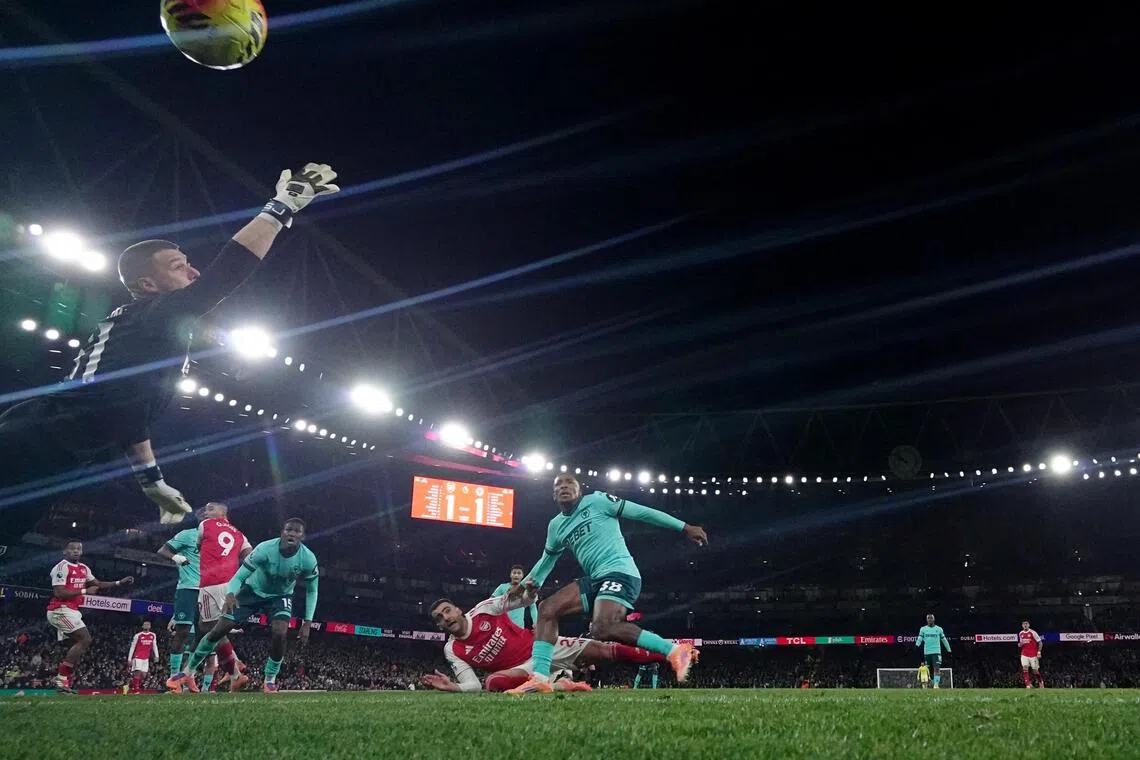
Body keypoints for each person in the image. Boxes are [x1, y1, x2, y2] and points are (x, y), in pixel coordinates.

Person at [0, 164, 339, 532]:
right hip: (28, 448)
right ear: (148, 284)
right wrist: (279, 208)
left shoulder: (148, 334)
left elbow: (129, 411)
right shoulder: (152, 315)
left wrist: (153, 482)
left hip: (49, 458)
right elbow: (226, 272)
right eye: (179, 267)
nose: (193, 273)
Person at [505, 472, 707, 695]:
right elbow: (547, 560)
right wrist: (525, 585)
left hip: (621, 572)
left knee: (602, 627)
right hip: (596, 578)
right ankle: (540, 679)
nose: (564, 487)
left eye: (569, 483)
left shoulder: (598, 501)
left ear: (579, 490)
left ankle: (675, 651)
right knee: (547, 609)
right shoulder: (556, 526)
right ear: (554, 494)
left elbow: (641, 512)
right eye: (558, 484)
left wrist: (684, 527)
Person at [172, 518, 318, 694]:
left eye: (297, 531)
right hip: (252, 591)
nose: (292, 533)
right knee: (219, 629)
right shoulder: (264, 549)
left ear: (303, 536)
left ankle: (270, 679)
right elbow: (239, 577)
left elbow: (312, 591)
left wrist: (307, 622)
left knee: (280, 632)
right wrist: (231, 594)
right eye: (289, 529)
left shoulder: (308, 559)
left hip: (281, 596)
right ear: (282, 532)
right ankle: (189, 672)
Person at [422, 594, 666, 693]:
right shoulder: (452, 650)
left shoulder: (485, 610)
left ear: (458, 609)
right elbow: (473, 686)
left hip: (544, 646)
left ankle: (668, 653)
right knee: (493, 682)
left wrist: (528, 590)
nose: (446, 618)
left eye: (447, 611)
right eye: (440, 618)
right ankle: (558, 682)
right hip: (522, 671)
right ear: (439, 626)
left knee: (603, 649)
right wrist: (453, 687)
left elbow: (522, 598)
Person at [46, 539, 133, 693]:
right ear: (65, 551)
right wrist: (84, 591)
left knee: (77, 643)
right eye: (72, 548)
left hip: (72, 610)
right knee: (85, 639)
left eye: (79, 548)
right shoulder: (61, 568)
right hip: (60, 609)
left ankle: (64, 682)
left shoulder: (84, 568)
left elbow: (98, 584)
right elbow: (59, 592)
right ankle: (61, 680)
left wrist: (119, 582)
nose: (76, 551)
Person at [491, 564, 538, 630]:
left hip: (518, 628)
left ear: (522, 576)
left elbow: (532, 606)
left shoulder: (526, 590)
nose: (516, 575)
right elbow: (491, 602)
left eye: (519, 573)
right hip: (502, 627)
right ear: (510, 575)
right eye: (514, 573)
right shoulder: (502, 587)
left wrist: (536, 622)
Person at [916, 613, 952, 689]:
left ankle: (936, 685)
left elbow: (944, 639)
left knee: (937, 668)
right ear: (926, 620)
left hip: (936, 652)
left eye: (931, 618)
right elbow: (920, 638)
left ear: (934, 619)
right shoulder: (923, 629)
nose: (930, 620)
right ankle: (932, 682)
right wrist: (917, 645)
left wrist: (949, 649)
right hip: (927, 652)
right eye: (928, 618)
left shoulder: (939, 629)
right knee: (929, 670)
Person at [125, 621, 160, 693]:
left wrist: (157, 656)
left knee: (144, 675)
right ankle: (136, 690)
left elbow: (154, 646)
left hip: (146, 658)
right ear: (142, 626)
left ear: (150, 626)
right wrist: (129, 659)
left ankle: (128, 686)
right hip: (137, 657)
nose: (146, 626)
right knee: (138, 673)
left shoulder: (153, 635)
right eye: (145, 625)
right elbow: (132, 647)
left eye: (148, 625)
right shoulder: (138, 635)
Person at [1018, 619, 1045, 688]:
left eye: (1026, 624)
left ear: (1029, 625)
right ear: (1022, 625)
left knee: (1035, 670)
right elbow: (1021, 644)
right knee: (1025, 668)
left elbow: (1040, 642)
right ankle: (1027, 685)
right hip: (1024, 654)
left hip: (1033, 655)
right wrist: (1020, 644)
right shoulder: (1020, 633)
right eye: (1024, 624)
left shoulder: (1033, 633)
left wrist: (1039, 652)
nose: (1025, 625)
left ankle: (1040, 681)